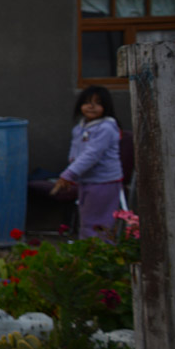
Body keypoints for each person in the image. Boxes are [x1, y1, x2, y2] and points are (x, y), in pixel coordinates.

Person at [51, 85, 123, 239]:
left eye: (97, 103)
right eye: (87, 102)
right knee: (87, 220)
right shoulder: (80, 128)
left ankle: (100, 254)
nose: (91, 106)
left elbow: (91, 155)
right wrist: (72, 174)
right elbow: (75, 153)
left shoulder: (106, 128)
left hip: (104, 182)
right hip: (87, 182)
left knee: (99, 222)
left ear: (106, 106)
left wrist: (69, 174)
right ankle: (88, 254)